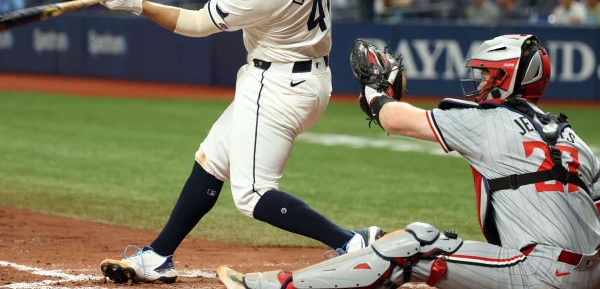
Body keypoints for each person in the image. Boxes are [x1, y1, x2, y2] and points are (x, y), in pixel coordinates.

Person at [97, 0, 382, 285]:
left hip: (279, 84)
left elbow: (198, 25)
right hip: (304, 78)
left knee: (252, 195)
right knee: (212, 159)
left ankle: (351, 242)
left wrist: (137, 6)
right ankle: (158, 256)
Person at [217, 34, 600, 289]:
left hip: (542, 274)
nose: (480, 82)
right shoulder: (572, 137)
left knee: (418, 242)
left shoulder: (487, 122)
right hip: (590, 275)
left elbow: (394, 118)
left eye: (486, 75)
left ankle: (280, 285)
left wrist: (375, 90)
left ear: (506, 78)